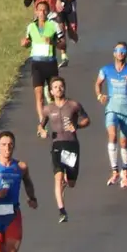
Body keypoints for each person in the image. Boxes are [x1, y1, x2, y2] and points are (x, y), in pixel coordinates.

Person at [38, 76, 90, 222]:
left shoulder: (73, 105)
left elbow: (87, 120)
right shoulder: (48, 109)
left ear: (64, 88)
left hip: (71, 145)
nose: (58, 89)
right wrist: (41, 131)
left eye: (61, 86)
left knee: (71, 182)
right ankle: (62, 211)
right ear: (51, 91)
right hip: (57, 145)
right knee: (58, 177)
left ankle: (68, 180)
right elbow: (41, 125)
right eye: (55, 87)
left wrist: (78, 126)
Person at [95, 42, 127, 188]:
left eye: (123, 50)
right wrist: (99, 96)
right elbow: (98, 83)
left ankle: (125, 171)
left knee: (124, 143)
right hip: (111, 109)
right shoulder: (106, 69)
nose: (120, 53)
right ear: (113, 53)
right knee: (112, 135)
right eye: (118, 50)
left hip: (126, 111)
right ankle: (114, 171)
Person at [21, 0, 66, 124]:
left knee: (54, 95)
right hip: (36, 64)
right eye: (39, 10)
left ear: (48, 12)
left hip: (50, 63)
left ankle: (56, 118)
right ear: (36, 11)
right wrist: (24, 44)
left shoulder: (54, 26)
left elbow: (63, 44)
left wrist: (53, 42)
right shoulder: (31, 27)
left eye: (44, 10)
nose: (42, 12)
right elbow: (27, 41)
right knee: (39, 95)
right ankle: (42, 122)